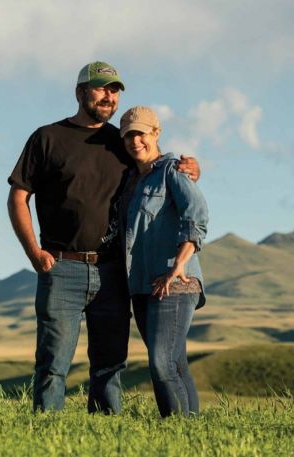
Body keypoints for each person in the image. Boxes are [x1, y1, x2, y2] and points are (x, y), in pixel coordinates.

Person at [7, 62, 199, 413]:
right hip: (61, 266)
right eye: (100, 88)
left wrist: (188, 168)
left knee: (110, 366)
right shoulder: (47, 138)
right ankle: (45, 438)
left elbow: (156, 166)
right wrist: (34, 252)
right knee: (52, 364)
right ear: (80, 93)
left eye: (114, 90)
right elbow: (19, 197)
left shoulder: (121, 141)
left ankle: (107, 433)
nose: (109, 96)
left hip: (113, 271)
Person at [118, 106, 208, 417]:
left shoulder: (173, 171)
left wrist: (178, 265)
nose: (135, 141)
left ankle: (174, 430)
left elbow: (196, 216)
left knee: (161, 363)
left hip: (176, 283)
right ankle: (190, 433)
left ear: (156, 133)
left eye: (140, 133)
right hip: (142, 285)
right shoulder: (130, 179)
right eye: (128, 135)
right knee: (175, 362)